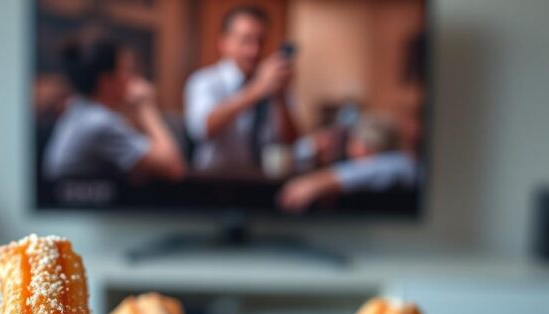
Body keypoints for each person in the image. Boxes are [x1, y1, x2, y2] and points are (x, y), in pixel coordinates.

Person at [43, 38, 185, 182]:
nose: (133, 78)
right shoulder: (99, 123)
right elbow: (173, 167)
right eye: (127, 70)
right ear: (106, 81)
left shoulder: (79, 108)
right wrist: (146, 108)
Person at [184, 6, 299, 172]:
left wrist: (280, 97)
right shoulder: (204, 81)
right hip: (214, 183)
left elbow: (290, 142)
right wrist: (257, 90)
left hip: (261, 183)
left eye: (260, 41)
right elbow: (203, 129)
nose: (254, 50)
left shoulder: (272, 82)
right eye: (246, 40)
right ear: (223, 43)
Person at [277, 114, 418, 213]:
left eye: (357, 144)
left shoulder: (401, 164)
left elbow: (387, 167)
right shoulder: (352, 164)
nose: (352, 150)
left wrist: (317, 183)